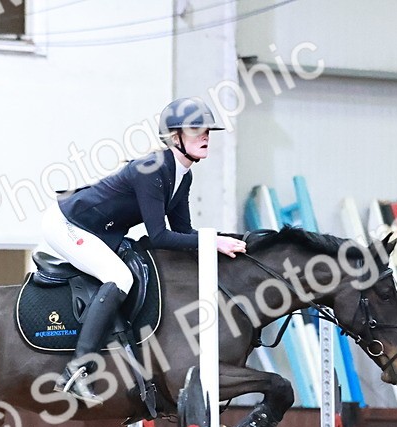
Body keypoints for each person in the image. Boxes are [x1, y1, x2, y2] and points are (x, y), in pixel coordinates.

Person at [36, 97, 247, 405]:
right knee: (120, 277)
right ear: (174, 137)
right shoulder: (152, 169)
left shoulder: (183, 175)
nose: (205, 136)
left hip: (98, 229)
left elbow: (183, 231)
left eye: (207, 131)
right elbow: (159, 236)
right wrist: (212, 242)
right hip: (68, 223)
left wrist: (223, 239)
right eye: (195, 130)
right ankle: (76, 369)